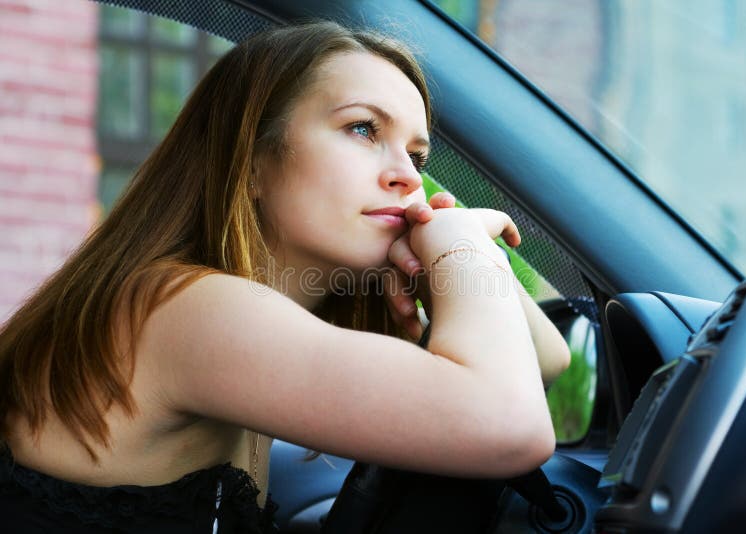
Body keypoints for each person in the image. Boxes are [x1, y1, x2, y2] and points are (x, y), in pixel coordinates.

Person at [0, 20, 570, 533]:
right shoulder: (187, 309)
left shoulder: (240, 314)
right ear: (250, 162)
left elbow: (547, 358)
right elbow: (511, 427)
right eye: (363, 129)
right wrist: (461, 247)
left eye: (418, 158)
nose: (405, 176)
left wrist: (442, 237)